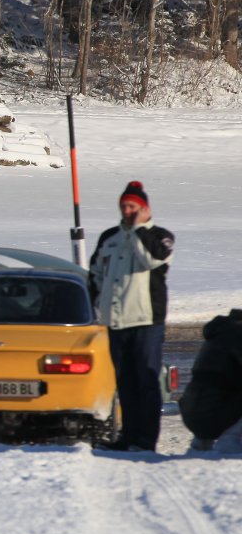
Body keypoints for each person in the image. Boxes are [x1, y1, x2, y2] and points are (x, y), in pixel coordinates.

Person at [88, 180, 175, 452]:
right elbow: (96, 273)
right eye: (124, 206)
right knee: (125, 382)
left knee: (146, 381)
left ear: (145, 209)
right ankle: (129, 436)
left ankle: (146, 441)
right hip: (116, 321)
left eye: (133, 207)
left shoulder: (160, 236)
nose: (127, 211)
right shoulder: (109, 237)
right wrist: (97, 304)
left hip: (146, 321)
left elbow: (152, 260)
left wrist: (139, 229)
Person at [178, 309, 242, 452]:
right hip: (214, 415)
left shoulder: (219, 335)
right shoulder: (237, 337)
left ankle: (201, 444)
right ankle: (230, 440)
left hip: (191, 414)